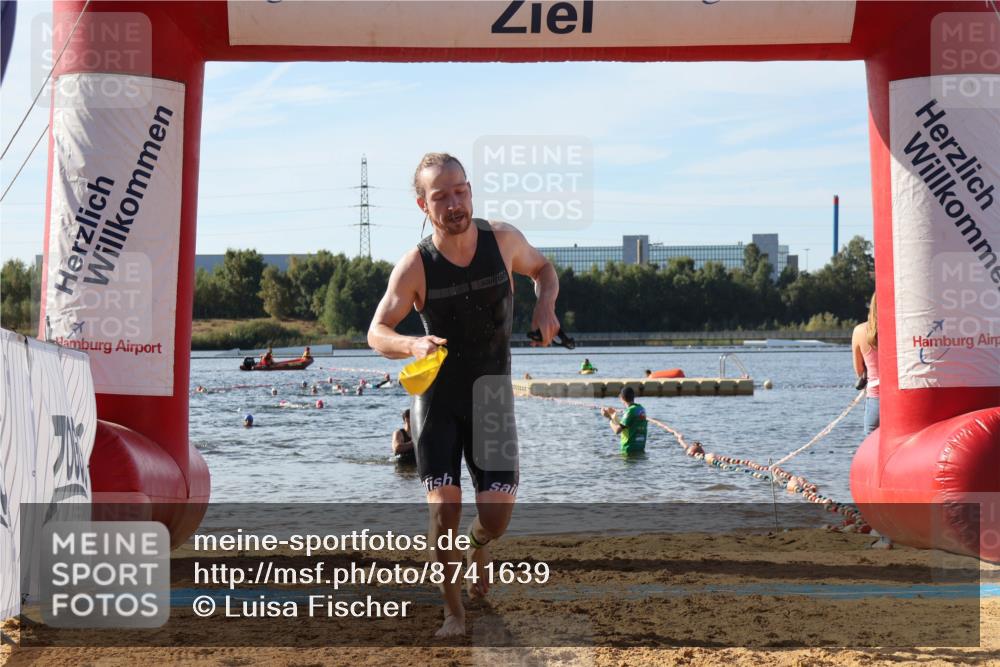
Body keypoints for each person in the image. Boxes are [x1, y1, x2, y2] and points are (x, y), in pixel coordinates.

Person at [367, 152, 560, 638]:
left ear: (470, 191)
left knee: (495, 519)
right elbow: (377, 331)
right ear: (423, 205)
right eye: (441, 197)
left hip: (491, 397)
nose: (454, 204)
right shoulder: (416, 265)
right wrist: (412, 344)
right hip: (438, 400)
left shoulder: (503, 241)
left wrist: (545, 306)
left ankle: (479, 545)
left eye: (460, 191)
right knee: (444, 509)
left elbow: (543, 269)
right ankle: (453, 612)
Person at [852, 293, 880, 435]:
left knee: (871, 443)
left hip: (876, 399)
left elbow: (859, 371)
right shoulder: (899, 329)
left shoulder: (859, 331)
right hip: (900, 399)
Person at [600, 387, 648, 456]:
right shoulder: (641, 409)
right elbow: (625, 426)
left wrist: (609, 418)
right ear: (633, 397)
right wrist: (613, 416)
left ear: (621, 398)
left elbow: (617, 430)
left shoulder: (630, 411)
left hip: (628, 450)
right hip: (640, 449)